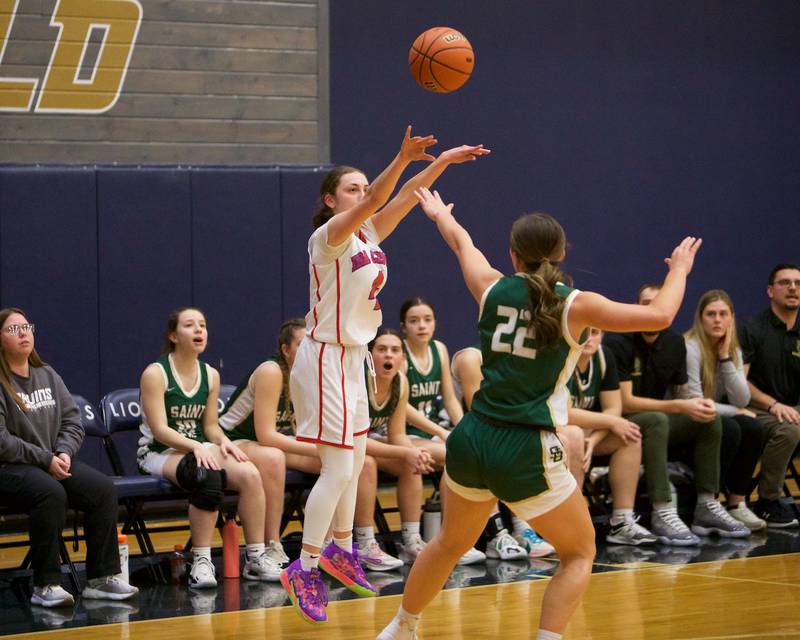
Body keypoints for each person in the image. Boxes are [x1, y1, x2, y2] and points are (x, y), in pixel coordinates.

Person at [377, 188, 702, 640]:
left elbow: (462, 244)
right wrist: (680, 270)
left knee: (450, 543)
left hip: (472, 438)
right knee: (580, 552)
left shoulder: (491, 288)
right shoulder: (576, 305)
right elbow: (662, 315)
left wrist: (438, 216)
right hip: (525, 444)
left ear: (513, 255)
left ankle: (401, 627)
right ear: (563, 252)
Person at [281, 127, 490, 624]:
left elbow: (406, 196)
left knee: (354, 464)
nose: (362, 194)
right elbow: (380, 193)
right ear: (331, 199)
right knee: (335, 469)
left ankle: (339, 548)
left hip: (353, 355)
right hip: (324, 357)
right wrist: (399, 156)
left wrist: (442, 164)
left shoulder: (368, 234)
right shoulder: (327, 238)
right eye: (350, 189)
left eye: (361, 188)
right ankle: (304, 567)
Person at [219, 318, 391, 569]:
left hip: (276, 443)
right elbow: (266, 435)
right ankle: (271, 545)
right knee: (277, 458)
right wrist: (321, 450)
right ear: (285, 349)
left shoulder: (314, 374)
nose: (309, 350)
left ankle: (348, 543)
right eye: (301, 344)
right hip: (236, 440)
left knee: (358, 463)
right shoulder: (272, 371)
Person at [0, 307, 137, 607]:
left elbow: (72, 421)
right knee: (50, 493)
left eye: (27, 326)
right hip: (11, 467)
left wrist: (63, 452)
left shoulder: (46, 374)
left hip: (53, 460)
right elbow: (2, 441)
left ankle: (102, 579)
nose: (23, 333)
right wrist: (45, 459)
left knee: (102, 490)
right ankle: (45, 584)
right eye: (13, 329)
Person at [138, 307, 280, 589]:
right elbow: (160, 430)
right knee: (207, 475)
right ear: (173, 335)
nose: (199, 330)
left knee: (251, 475)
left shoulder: (210, 375)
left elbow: (211, 425)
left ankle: (255, 557)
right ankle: (201, 562)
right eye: (190, 325)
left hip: (197, 449)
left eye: (202, 325)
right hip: (159, 452)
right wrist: (196, 446)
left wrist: (223, 442)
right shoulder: (155, 374)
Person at [604, 284, 750, 544]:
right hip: (620, 421)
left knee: (708, 419)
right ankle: (663, 509)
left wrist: (696, 405)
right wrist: (679, 407)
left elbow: (683, 394)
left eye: (657, 303)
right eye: (646, 303)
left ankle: (706, 504)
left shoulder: (673, 343)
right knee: (658, 419)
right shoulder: (619, 341)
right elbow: (625, 403)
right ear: (637, 307)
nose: (651, 309)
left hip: (657, 421)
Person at [451, 344, 556, 558]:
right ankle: (498, 534)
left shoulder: (522, 362)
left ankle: (524, 528)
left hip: (493, 434)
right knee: (502, 448)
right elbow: (479, 411)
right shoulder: (471, 357)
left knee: (529, 443)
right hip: (464, 432)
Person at [566, 328, 657, 546]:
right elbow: (565, 413)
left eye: (595, 332)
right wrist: (611, 422)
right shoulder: (561, 359)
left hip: (588, 433)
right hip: (558, 432)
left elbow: (613, 408)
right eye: (582, 333)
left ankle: (621, 522)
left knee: (630, 435)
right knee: (575, 435)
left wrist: (594, 441)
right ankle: (570, 526)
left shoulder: (604, 356)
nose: (588, 338)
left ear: (602, 335)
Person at [684, 290, 766, 530]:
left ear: (732, 318)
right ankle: (709, 504)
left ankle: (736, 503)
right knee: (731, 426)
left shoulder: (733, 350)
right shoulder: (691, 347)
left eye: (723, 314)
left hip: (713, 415)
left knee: (752, 427)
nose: (717, 320)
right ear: (700, 318)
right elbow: (696, 400)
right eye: (711, 314)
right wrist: (736, 411)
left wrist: (724, 357)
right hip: (687, 415)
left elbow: (742, 398)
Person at [354, 328, 434, 567]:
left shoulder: (401, 381)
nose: (388, 355)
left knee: (412, 464)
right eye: (381, 349)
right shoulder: (358, 380)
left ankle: (412, 540)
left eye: (395, 350)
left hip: (366, 444)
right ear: (369, 355)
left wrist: (414, 454)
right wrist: (407, 452)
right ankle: (366, 544)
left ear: (402, 358)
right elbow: (356, 441)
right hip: (342, 444)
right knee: (366, 463)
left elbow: (398, 434)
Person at [738, 263, 800, 527]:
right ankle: (767, 502)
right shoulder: (752, 328)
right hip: (756, 409)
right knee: (789, 429)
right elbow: (740, 383)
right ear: (770, 290)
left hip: (791, 408)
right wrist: (773, 404)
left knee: (792, 421)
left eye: (797, 283)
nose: (793, 288)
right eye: (785, 283)